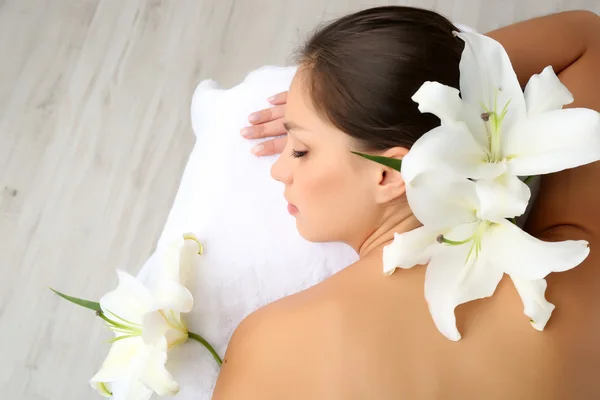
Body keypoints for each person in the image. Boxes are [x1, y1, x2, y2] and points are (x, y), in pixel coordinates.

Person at [212, 6, 600, 399]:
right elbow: (588, 40)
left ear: (391, 174)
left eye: (299, 150)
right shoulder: (572, 281)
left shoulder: (272, 345)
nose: (279, 171)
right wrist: (435, 93)